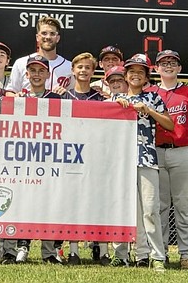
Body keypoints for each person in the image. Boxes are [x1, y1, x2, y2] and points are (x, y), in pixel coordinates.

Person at [110, 54, 174, 272]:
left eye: (140, 72)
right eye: (132, 72)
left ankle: (156, 255)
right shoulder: (114, 99)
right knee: (122, 209)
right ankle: (120, 254)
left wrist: (148, 110)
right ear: (125, 76)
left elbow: (170, 125)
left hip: (147, 158)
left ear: (146, 76)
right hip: (121, 161)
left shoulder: (153, 98)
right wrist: (117, 105)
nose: (136, 75)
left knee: (150, 209)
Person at [147, 49, 188, 271]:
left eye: (173, 62)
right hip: (156, 151)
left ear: (180, 68)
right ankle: (160, 254)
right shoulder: (150, 92)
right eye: (164, 63)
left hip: (182, 151)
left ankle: (186, 255)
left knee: (183, 204)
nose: (169, 66)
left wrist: (184, 140)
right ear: (156, 68)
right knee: (159, 206)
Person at [3, 55, 64, 265]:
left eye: (41, 71)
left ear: (48, 74)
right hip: (22, 160)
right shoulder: (17, 98)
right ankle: (17, 248)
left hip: (48, 160)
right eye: (33, 71)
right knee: (20, 204)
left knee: (49, 204)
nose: (37, 75)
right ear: (26, 74)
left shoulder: (57, 99)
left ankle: (49, 251)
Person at [61, 53, 110, 266]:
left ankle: (104, 250)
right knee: (72, 203)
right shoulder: (64, 98)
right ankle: (73, 250)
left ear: (93, 71)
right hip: (71, 158)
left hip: (95, 157)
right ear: (73, 70)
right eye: (79, 67)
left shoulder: (100, 99)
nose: (83, 71)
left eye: (87, 68)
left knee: (99, 203)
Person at [5, 16, 73, 95]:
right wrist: (16, 97)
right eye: (44, 33)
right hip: (27, 107)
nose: (48, 37)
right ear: (37, 37)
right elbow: (10, 92)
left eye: (52, 34)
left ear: (57, 38)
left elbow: (75, 96)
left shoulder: (69, 67)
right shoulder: (21, 63)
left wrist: (67, 94)